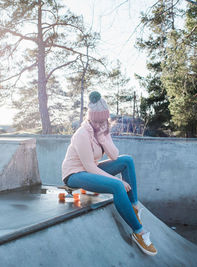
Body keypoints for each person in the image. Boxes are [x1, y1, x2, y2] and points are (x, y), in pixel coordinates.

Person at [61, 91, 157, 256]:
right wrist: (116, 180)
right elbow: (90, 167)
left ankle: (133, 207)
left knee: (126, 160)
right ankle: (139, 233)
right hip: (74, 174)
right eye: (97, 120)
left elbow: (114, 155)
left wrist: (104, 138)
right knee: (117, 186)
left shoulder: (103, 130)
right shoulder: (81, 135)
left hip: (90, 170)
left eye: (103, 119)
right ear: (90, 118)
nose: (101, 123)